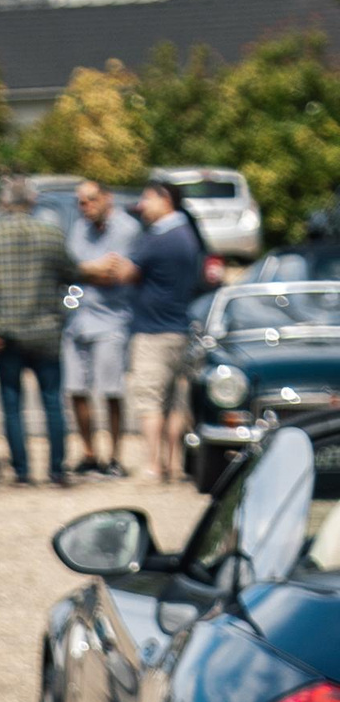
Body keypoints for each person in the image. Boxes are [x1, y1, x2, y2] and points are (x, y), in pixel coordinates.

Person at [85, 177, 205, 483]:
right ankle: (173, 463)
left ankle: (153, 464)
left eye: (146, 199)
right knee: (175, 403)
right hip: (180, 328)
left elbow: (126, 273)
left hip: (153, 331)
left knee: (150, 401)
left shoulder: (160, 238)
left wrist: (96, 267)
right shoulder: (189, 235)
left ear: (165, 199)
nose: (142, 206)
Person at [0, 168, 71, 484]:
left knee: (12, 404)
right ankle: (56, 469)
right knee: (52, 402)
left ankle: (22, 470)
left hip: (4, 332)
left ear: (3, 202)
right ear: (34, 201)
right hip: (47, 331)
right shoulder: (52, 234)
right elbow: (70, 273)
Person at [62, 178, 137, 480]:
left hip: (112, 320)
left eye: (91, 200)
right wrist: (89, 269)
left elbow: (114, 274)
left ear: (107, 198)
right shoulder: (79, 226)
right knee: (76, 389)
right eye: (81, 202)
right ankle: (90, 453)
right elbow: (68, 267)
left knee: (110, 391)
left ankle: (115, 456)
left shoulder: (127, 228)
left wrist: (83, 270)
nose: (85, 207)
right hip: (77, 319)